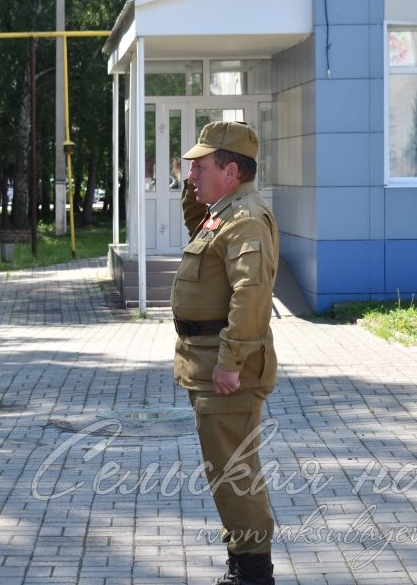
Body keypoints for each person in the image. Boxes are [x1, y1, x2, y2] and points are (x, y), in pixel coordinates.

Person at [170, 121, 279, 585]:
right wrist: (194, 185)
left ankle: (253, 573)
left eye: (202, 165)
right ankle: (244, 563)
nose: (191, 173)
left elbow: (250, 296)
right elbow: (198, 224)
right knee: (227, 472)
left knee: (235, 475)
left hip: (225, 370)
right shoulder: (225, 211)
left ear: (231, 171)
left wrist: (230, 364)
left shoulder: (246, 218)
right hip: (207, 362)